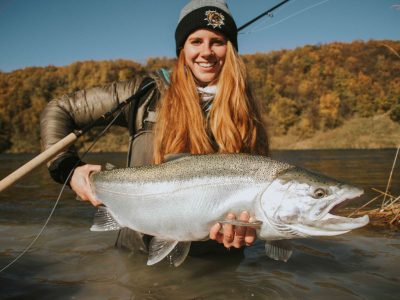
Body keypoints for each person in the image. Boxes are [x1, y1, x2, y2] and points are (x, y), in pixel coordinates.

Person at [40, 0, 269, 255]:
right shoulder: (144, 93)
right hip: (135, 253)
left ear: (231, 49)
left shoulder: (247, 111)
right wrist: (68, 169)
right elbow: (60, 109)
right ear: (182, 48)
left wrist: (250, 230)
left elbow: (259, 199)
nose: (206, 52)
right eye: (196, 41)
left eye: (217, 41)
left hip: (217, 264)